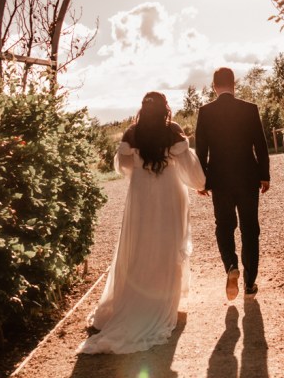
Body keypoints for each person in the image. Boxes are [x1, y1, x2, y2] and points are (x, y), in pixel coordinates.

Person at [78, 91, 206, 355]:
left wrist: (140, 167)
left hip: (141, 196)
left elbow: (122, 166)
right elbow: (188, 165)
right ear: (165, 108)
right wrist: (201, 184)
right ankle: (164, 301)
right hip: (169, 194)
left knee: (140, 246)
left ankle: (136, 299)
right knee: (168, 246)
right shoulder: (173, 130)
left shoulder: (131, 133)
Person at [195, 67, 270, 301]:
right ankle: (249, 283)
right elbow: (261, 144)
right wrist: (264, 174)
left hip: (220, 179)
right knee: (250, 228)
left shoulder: (205, 112)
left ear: (214, 86)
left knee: (224, 226)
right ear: (233, 84)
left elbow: (201, 151)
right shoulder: (250, 109)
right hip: (248, 177)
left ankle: (230, 265)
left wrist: (202, 180)